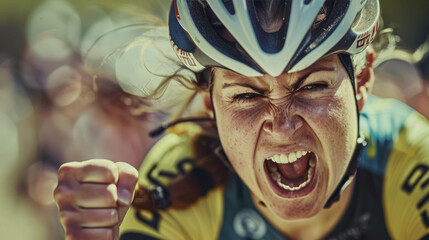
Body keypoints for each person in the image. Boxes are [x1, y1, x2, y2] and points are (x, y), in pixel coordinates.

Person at [53, 0, 429, 239]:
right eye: (247, 96)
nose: (282, 126)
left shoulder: (413, 158)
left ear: (362, 82)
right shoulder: (174, 179)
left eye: (312, 86)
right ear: (210, 108)